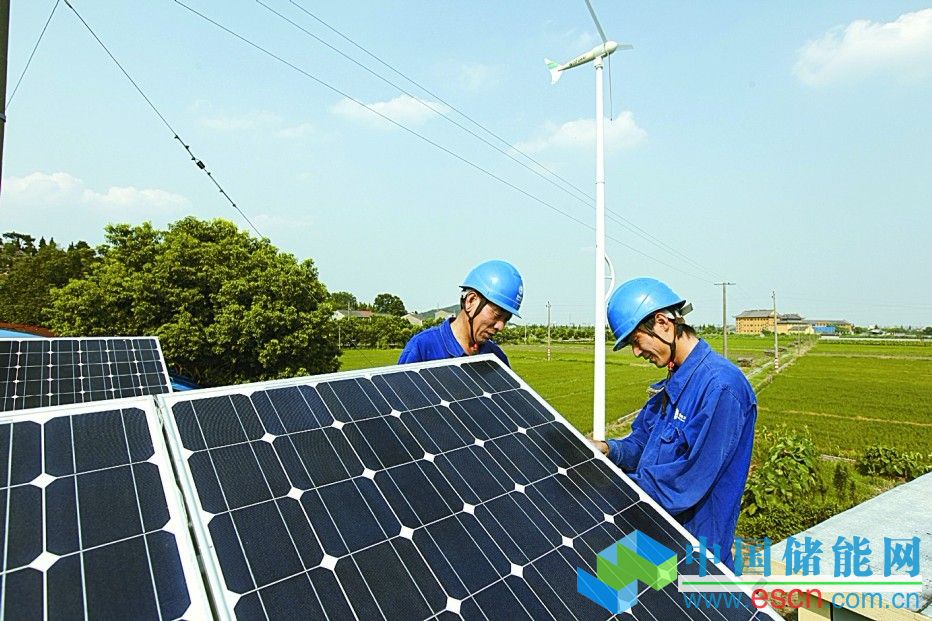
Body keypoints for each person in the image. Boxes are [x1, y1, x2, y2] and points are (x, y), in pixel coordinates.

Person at [592, 277, 757, 570]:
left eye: (636, 340)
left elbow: (687, 480)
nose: (636, 352)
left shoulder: (720, 388)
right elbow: (641, 443)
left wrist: (610, 489)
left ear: (662, 323)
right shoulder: (675, 381)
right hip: (653, 536)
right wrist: (608, 450)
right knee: (591, 585)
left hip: (693, 555)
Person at [398, 260, 523, 366]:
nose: (500, 327)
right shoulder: (422, 348)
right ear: (470, 301)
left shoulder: (496, 359)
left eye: (506, 319)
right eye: (497, 314)